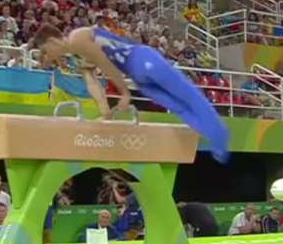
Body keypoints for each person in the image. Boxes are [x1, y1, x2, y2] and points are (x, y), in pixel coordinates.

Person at [33, 25, 230, 163]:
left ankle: (219, 134)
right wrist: (106, 113)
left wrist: (124, 93)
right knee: (176, 105)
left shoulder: (78, 38)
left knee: (186, 94)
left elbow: (104, 62)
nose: (47, 56)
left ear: (52, 40)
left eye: (45, 50)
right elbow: (93, 84)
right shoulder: (76, 59)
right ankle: (210, 135)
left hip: (141, 58)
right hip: (136, 74)